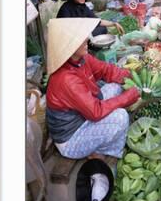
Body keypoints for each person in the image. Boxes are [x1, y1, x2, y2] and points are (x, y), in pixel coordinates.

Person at [46, 18, 140, 160]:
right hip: (71, 139)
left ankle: (102, 142)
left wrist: (130, 77)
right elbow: (95, 112)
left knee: (115, 86)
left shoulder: (81, 59)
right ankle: (108, 152)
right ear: (69, 46)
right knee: (120, 116)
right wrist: (127, 98)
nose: (87, 40)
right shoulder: (65, 79)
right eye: (81, 39)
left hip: (83, 115)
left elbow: (105, 70)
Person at [57, 0, 125, 36]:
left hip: (81, 33)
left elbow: (97, 21)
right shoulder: (65, 8)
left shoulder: (83, 7)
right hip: (70, 38)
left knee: (103, 29)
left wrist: (114, 23)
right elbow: (66, 31)